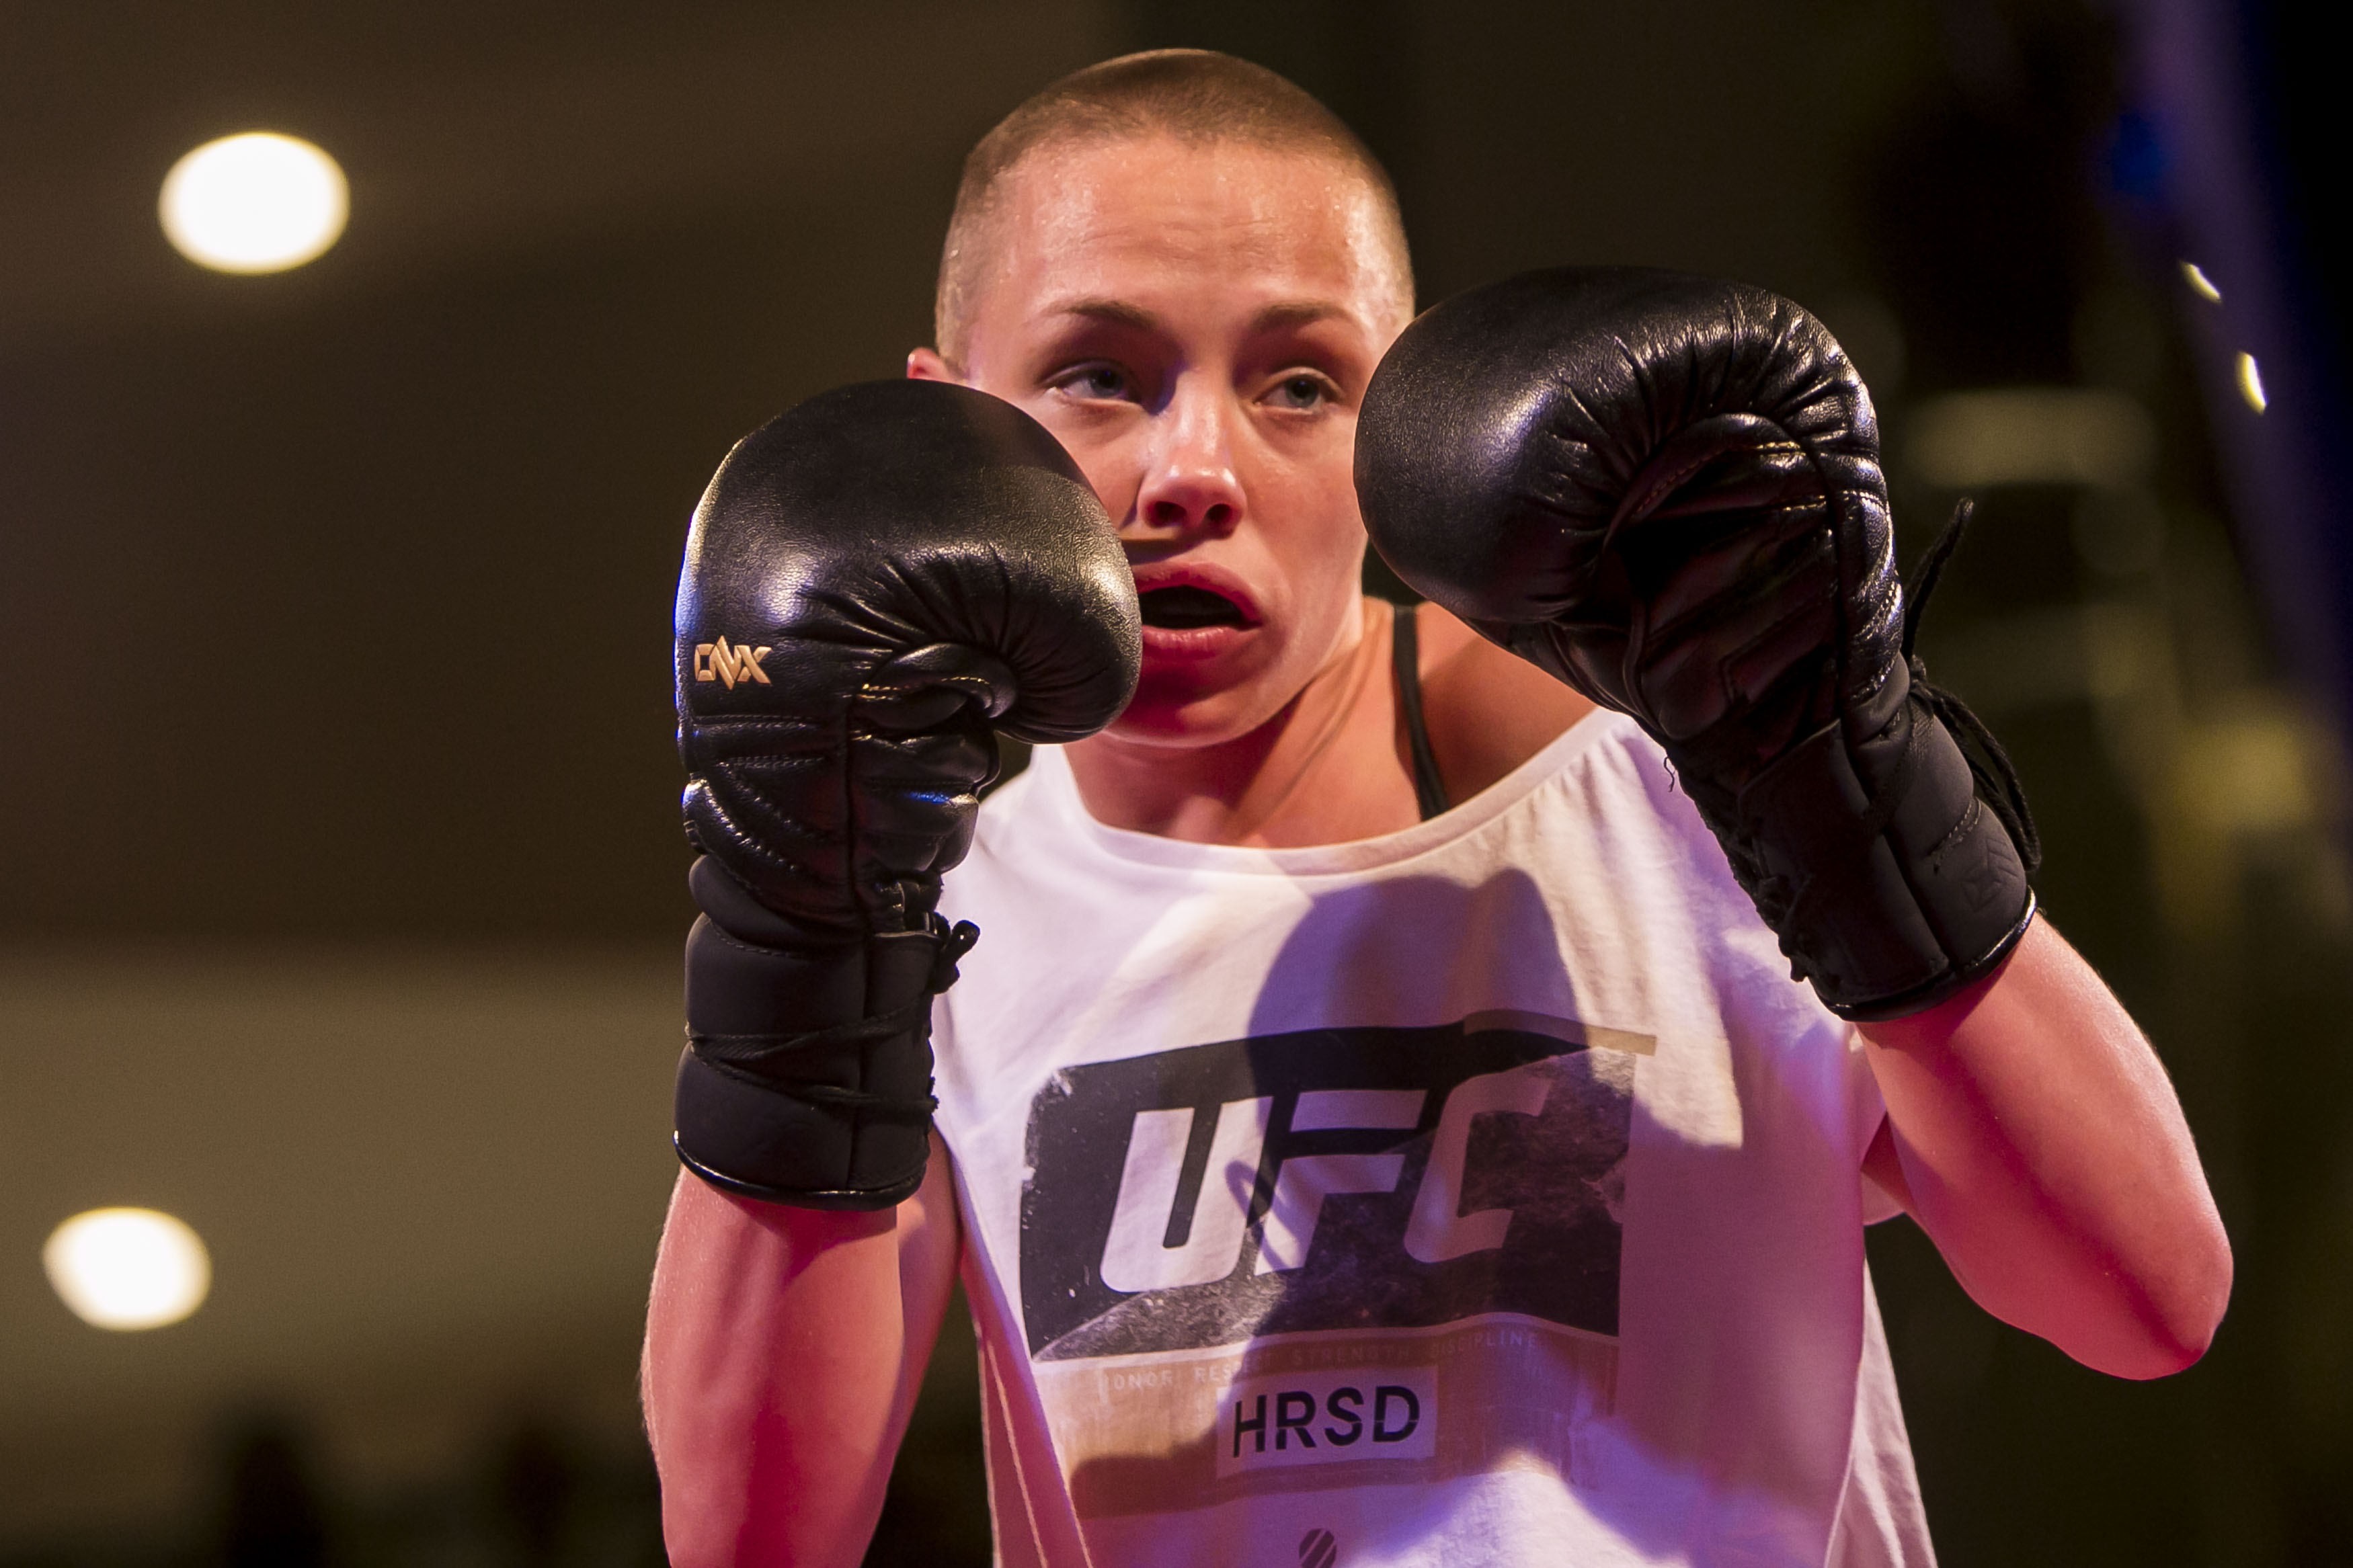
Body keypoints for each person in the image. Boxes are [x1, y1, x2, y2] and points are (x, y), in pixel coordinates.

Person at [643, 50, 2231, 1567]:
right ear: (946, 420)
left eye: (1299, 384)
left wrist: (1850, 779)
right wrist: (803, 936)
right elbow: (750, 1538)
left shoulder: (1662, 765)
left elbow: (2145, 1302)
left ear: (1402, 427)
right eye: (1096, 377)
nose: (1193, 468)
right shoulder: (935, 914)